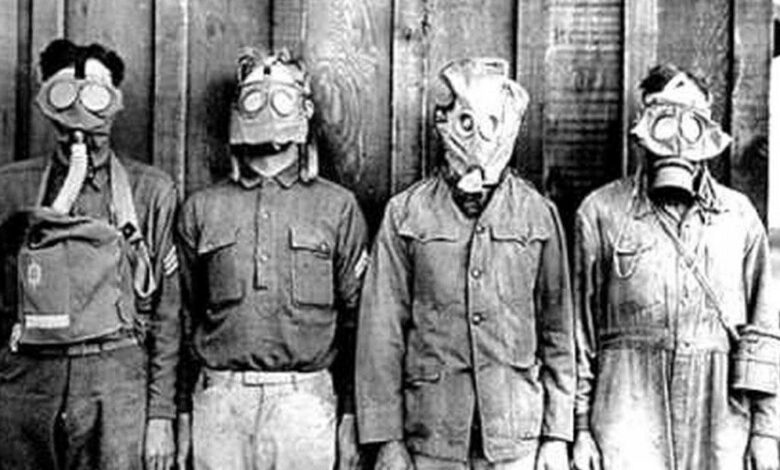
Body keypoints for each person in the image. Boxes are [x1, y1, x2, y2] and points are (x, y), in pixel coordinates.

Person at [356, 57, 575, 470]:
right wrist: (387, 440)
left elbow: (558, 330)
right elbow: (381, 333)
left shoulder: (538, 215)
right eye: (466, 122)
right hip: (431, 436)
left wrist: (556, 436)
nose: (479, 137)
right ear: (445, 122)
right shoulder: (406, 213)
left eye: (492, 122)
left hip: (516, 440)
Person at [571, 64, 780, 470]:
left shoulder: (738, 217)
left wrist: (765, 433)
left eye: (691, 120)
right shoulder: (601, 212)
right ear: (642, 125)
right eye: (663, 117)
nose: (677, 136)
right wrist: (580, 429)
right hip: (627, 412)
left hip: (718, 417)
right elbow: (580, 332)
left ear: (708, 127)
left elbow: (764, 327)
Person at [175, 48, 368, 470]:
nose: (267, 106)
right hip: (220, 403)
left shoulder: (338, 207)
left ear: (305, 108)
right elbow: (181, 319)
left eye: (282, 96)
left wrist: (351, 416)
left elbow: (359, 323)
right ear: (237, 108)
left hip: (306, 403)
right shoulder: (201, 208)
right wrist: (182, 414)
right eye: (254, 96)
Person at [0, 39, 180, 469]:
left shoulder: (150, 191)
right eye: (65, 94)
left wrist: (160, 414)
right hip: (27, 382)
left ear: (115, 101)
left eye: (97, 95)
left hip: (116, 383)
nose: (81, 109)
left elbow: (168, 315)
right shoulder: (10, 188)